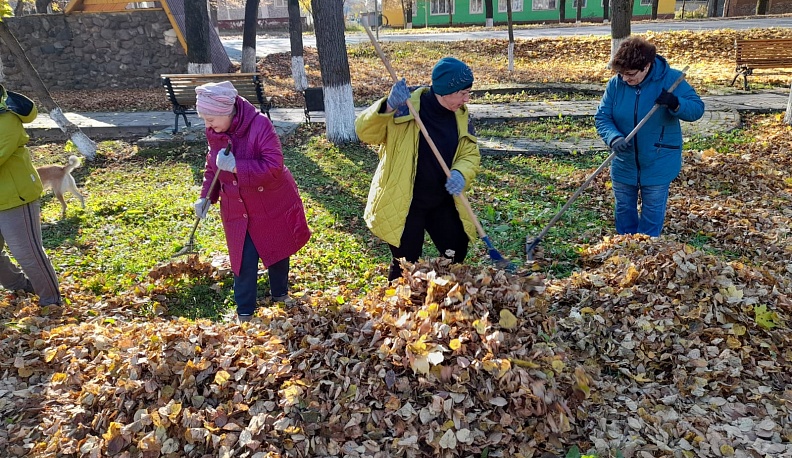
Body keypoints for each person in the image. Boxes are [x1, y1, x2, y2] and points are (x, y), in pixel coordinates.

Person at [192, 81, 310, 322]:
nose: (208, 125)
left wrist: (237, 166)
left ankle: (280, 294)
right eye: (204, 120)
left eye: (210, 119)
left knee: (277, 249)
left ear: (227, 111)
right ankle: (244, 313)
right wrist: (206, 196)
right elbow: (213, 166)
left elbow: (274, 165)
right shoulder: (215, 131)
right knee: (243, 259)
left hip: (270, 202)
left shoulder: (260, 125)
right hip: (236, 207)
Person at [355, 56, 481, 281]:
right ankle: (398, 297)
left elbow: (469, 152)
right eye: (462, 93)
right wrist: (389, 105)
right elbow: (365, 132)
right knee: (405, 261)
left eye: (468, 93)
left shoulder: (461, 115)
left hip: (441, 200)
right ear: (445, 91)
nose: (466, 99)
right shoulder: (406, 107)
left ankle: (442, 289)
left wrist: (461, 172)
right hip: (405, 200)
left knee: (456, 248)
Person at [595, 36, 704, 237]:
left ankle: (647, 247)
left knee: (652, 211)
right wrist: (613, 137)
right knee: (624, 209)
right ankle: (626, 245)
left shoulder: (671, 79)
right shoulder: (616, 84)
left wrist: (675, 103)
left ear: (646, 66)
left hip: (658, 159)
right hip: (624, 161)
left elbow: (697, 109)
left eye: (630, 74)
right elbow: (603, 117)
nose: (625, 79)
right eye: (621, 73)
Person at [0, 84, 61, 306]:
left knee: (28, 254)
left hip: (14, 197)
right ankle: (20, 286)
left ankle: (51, 302)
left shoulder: (6, 119)